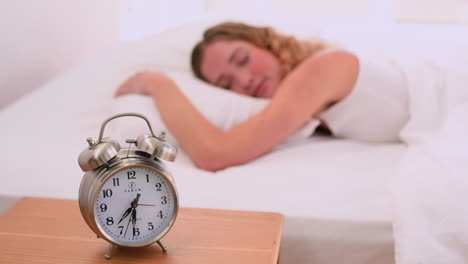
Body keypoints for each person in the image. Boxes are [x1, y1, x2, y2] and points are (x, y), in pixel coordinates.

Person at [114, 22, 409, 171]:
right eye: (227, 84)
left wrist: (159, 84)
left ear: (265, 43)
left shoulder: (321, 69)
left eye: (242, 59)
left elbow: (215, 153)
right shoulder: (307, 101)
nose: (245, 81)